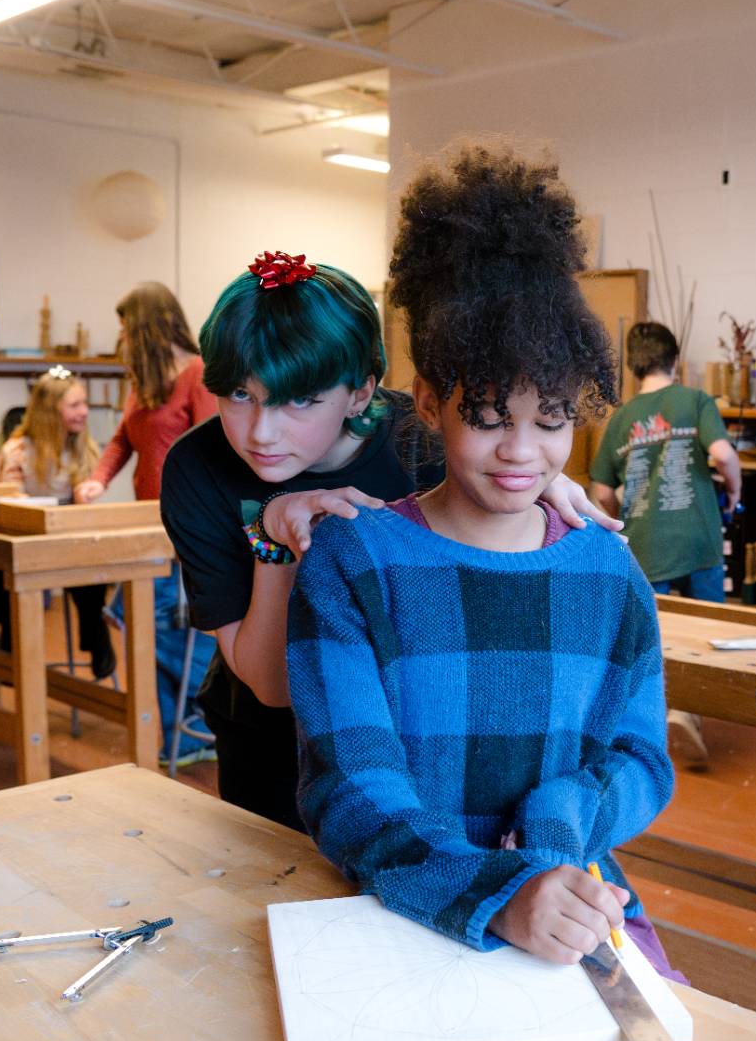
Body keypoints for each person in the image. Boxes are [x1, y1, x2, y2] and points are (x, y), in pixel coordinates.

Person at [287, 144, 682, 979]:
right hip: (402, 913)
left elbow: (643, 759)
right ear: (429, 401)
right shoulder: (357, 564)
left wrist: (567, 813)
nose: (521, 451)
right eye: (489, 415)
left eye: (551, 419)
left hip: (567, 910)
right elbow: (348, 789)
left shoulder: (607, 576)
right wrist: (498, 890)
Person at [158, 248, 618, 831]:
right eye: (240, 396)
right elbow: (273, 688)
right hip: (268, 742)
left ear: (359, 392)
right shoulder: (197, 468)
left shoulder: (423, 439)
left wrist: (532, 481)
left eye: (300, 399)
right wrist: (274, 542)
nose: (261, 432)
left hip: (416, 736)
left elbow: (507, 462)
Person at [75, 282, 219, 765]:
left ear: (146, 328)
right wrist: (97, 480)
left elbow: (212, 450)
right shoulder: (144, 382)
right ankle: (181, 740)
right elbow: (120, 441)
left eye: (124, 329)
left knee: (155, 629)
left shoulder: (197, 374)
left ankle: (210, 713)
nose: (121, 339)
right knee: (144, 624)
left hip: (188, 531)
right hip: (148, 526)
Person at [589, 321, 741, 766]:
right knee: (709, 631)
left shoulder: (620, 418)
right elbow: (724, 455)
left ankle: (658, 727)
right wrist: (734, 490)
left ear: (634, 367)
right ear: (676, 360)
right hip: (699, 537)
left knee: (660, 637)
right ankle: (691, 712)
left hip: (647, 543)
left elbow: (600, 492)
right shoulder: (694, 400)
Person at [0, 366, 112, 677]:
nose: (84, 412)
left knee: (93, 558)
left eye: (84, 403)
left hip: (66, 540)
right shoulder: (17, 450)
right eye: (74, 405)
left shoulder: (82, 448)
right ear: (48, 411)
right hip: (26, 539)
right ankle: (13, 640)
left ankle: (95, 633)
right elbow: (10, 504)